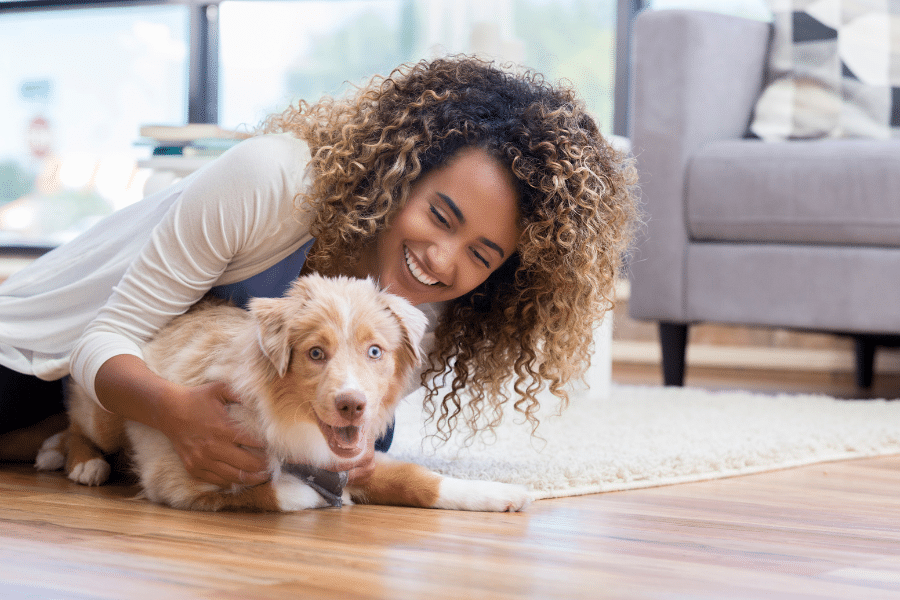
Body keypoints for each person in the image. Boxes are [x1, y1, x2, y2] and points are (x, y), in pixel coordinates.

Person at [0, 56, 639, 487]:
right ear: (402, 174)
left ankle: (65, 439)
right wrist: (173, 414)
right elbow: (103, 336)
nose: (444, 260)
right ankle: (57, 432)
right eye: (441, 215)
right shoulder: (272, 181)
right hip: (37, 346)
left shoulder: (423, 317)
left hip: (131, 388)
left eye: (482, 254)